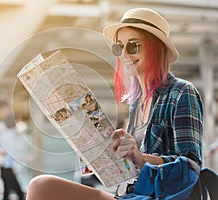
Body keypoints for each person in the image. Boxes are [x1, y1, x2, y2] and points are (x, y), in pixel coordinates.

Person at [25, 8, 204, 200]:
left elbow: (191, 167)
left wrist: (140, 158)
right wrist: (102, 155)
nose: (124, 54)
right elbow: (132, 168)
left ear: (156, 47)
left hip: (158, 197)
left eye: (133, 46)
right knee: (43, 187)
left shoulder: (182, 92)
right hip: (133, 194)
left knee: (42, 186)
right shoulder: (136, 103)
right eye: (118, 47)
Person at [0, 114, 25, 200]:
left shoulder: (4, 134)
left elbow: (0, 150)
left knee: (7, 192)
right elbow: (12, 152)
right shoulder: (12, 135)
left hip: (3, 167)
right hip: (7, 167)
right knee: (19, 193)